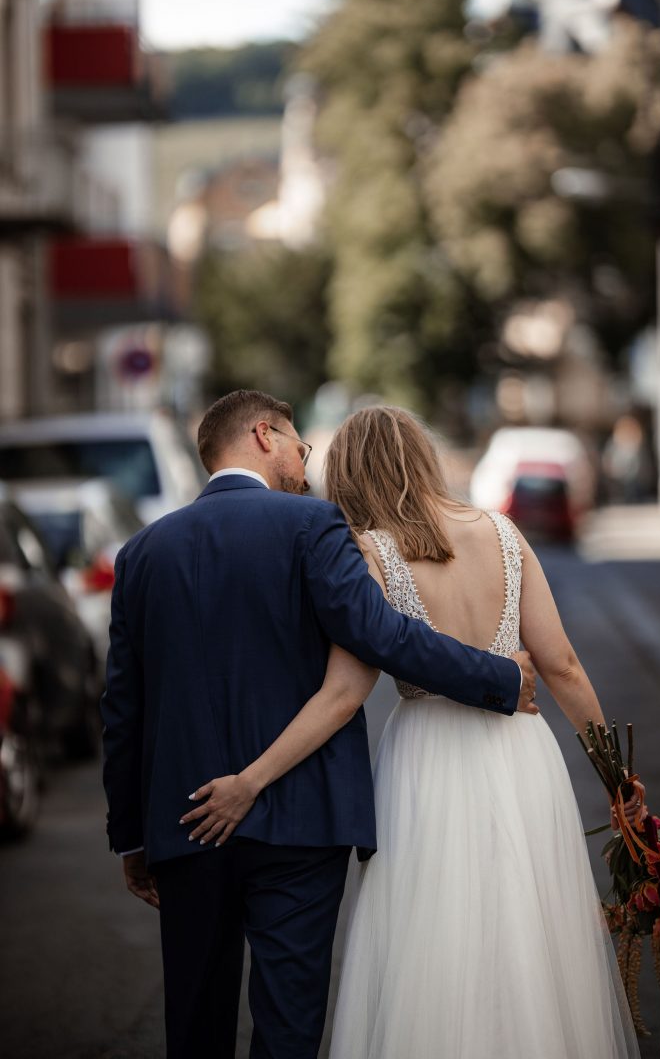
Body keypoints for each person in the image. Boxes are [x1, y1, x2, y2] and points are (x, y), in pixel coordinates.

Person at [185, 406, 642, 1059]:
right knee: (526, 935)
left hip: (424, 758)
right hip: (520, 752)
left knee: (435, 940)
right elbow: (562, 666)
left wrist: (252, 778)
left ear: (349, 472)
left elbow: (344, 695)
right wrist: (618, 780)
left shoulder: (368, 552)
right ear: (422, 458)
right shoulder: (505, 535)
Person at [101, 390, 537, 1059]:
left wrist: (133, 836)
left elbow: (123, 709)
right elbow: (383, 635)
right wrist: (499, 677)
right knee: (290, 1026)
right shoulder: (312, 527)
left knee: (194, 1023)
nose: (307, 461)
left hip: (186, 825)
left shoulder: (143, 554)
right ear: (263, 434)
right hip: (302, 823)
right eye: (300, 444)